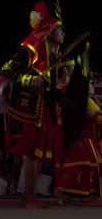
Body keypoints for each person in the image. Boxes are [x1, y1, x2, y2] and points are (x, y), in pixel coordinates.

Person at [0, 0, 65, 209]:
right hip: (30, 109)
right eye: (60, 30)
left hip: (43, 108)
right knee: (31, 154)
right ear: (50, 31)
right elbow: (7, 71)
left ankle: (28, 197)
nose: (63, 34)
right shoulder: (28, 51)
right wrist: (30, 79)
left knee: (39, 154)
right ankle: (29, 199)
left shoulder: (53, 56)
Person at [53, 54, 102, 205]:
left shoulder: (72, 89)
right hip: (64, 130)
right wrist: (94, 116)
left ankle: (82, 194)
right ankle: (62, 193)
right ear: (67, 71)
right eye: (74, 70)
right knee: (80, 161)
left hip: (74, 129)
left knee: (92, 160)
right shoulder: (60, 90)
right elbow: (76, 110)